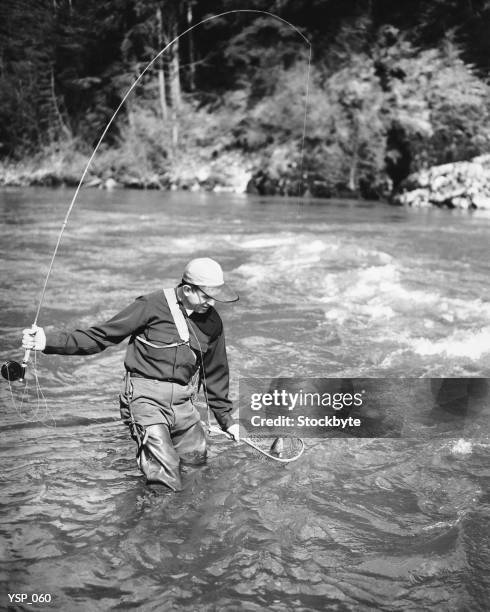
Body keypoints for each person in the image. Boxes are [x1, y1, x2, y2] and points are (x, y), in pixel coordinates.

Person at [22, 257, 240, 491]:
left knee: (197, 470)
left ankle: (183, 521)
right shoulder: (150, 305)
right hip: (145, 400)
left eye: (215, 297)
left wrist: (227, 421)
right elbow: (100, 337)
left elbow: (216, 373)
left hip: (183, 405)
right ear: (187, 289)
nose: (212, 303)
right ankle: (153, 520)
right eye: (206, 296)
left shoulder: (213, 322)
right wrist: (47, 341)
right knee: (166, 480)